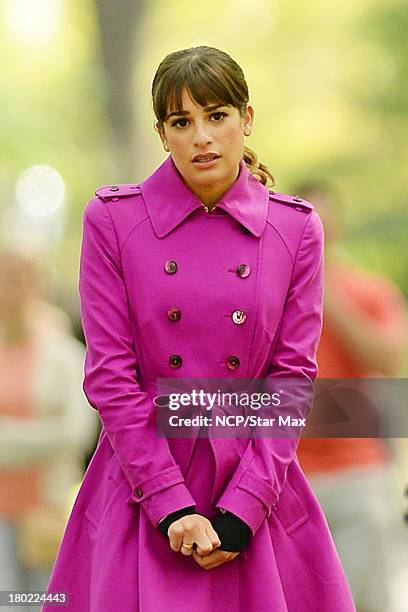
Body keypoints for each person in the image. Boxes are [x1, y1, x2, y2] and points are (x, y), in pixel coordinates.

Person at [43, 46, 356, 611]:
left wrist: (247, 505)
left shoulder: (295, 228)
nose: (202, 137)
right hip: (141, 485)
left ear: (246, 119)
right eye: (181, 122)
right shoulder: (113, 221)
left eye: (217, 115)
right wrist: (169, 502)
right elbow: (110, 377)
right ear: (162, 134)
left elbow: (291, 379)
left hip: (254, 485)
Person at [294, 180, 408, 612]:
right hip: (287, 479)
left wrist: (327, 293)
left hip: (359, 477)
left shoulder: (369, 291)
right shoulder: (266, 296)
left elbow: (389, 357)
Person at [0, 249, 97, 611]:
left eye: (24, 276)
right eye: (7, 276)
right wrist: (41, 435)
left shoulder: (65, 356)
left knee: (44, 602)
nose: (15, 287)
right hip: (0, 513)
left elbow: (77, 431)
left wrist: (6, 440)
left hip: (47, 512)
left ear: (40, 284)